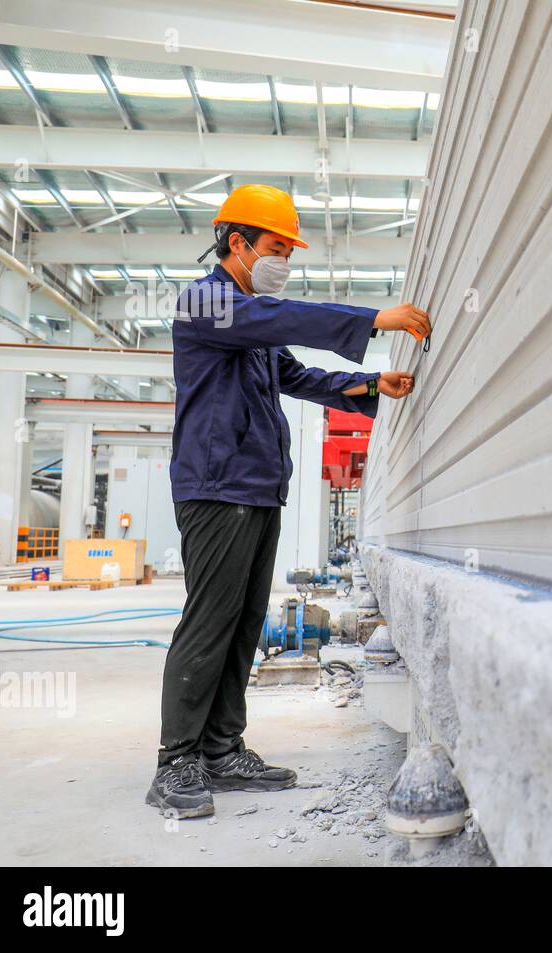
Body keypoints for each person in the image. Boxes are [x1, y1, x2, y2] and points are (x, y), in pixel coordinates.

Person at [146, 184, 430, 818]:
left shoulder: (251, 315)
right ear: (237, 242)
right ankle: (177, 761)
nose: (283, 261)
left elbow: (294, 376)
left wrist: (367, 382)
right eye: (276, 248)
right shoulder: (209, 303)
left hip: (256, 487)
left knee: (245, 622)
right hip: (216, 486)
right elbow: (278, 319)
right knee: (210, 621)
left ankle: (221, 749)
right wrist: (370, 319)